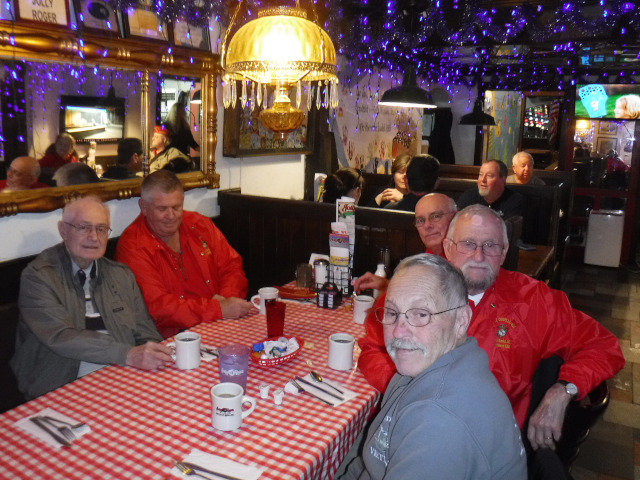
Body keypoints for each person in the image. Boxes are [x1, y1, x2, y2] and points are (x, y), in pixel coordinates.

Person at [357, 205, 625, 454]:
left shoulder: (534, 301)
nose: (479, 256)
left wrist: (563, 390)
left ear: (504, 252)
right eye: (468, 243)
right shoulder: (414, 286)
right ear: (448, 247)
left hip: (486, 447)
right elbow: (372, 348)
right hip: (408, 428)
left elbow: (604, 345)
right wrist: (408, 388)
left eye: (490, 245)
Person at [340, 254, 526, 480]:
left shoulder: (439, 419)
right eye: (392, 313)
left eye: (421, 314)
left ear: (461, 321)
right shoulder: (426, 364)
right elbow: (369, 462)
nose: (398, 331)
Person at [11, 196, 172, 400]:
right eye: (83, 227)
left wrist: (155, 359)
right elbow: (61, 336)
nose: (94, 237)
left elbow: (145, 330)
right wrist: (127, 354)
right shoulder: (39, 277)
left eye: (101, 229)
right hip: (61, 385)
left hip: (122, 374)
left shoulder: (120, 275)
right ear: (63, 230)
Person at [115, 170, 251, 338]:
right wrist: (218, 309)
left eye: (176, 207)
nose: (171, 216)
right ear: (144, 207)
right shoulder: (133, 245)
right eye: (162, 209)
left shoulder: (199, 224)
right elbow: (159, 307)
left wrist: (226, 299)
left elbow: (232, 267)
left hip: (220, 322)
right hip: (172, 336)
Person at [354, 193, 456, 295]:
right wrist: (385, 285)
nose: (427, 225)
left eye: (436, 216)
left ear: (455, 216)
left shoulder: (460, 260)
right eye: (420, 220)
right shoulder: (431, 255)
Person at [457, 159, 524, 219]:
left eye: (489, 176)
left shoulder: (514, 201)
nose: (483, 180)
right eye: (481, 174)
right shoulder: (469, 196)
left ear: (503, 179)